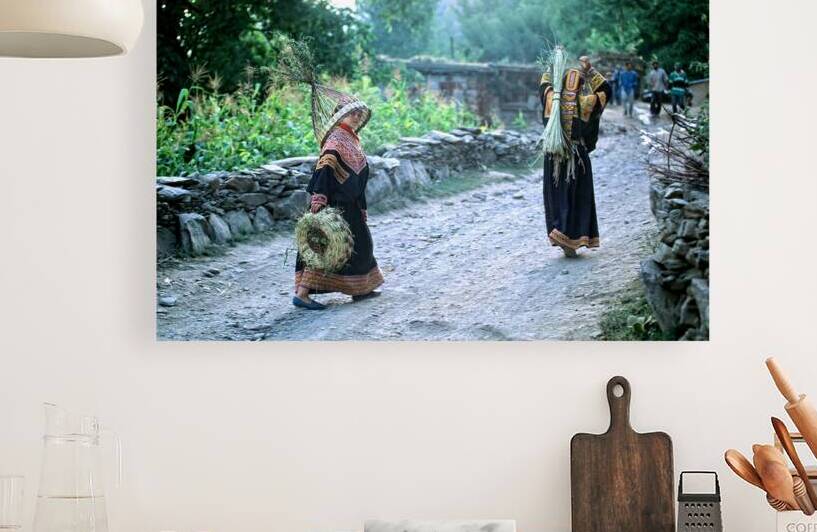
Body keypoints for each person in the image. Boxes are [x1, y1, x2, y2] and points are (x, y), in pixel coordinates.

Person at [293, 99, 384, 310]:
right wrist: (319, 198)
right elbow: (325, 169)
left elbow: (358, 176)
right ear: (340, 116)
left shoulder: (351, 139)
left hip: (350, 204)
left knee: (361, 246)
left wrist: (361, 205)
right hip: (333, 204)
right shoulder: (335, 140)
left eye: (359, 113)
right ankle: (302, 294)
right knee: (322, 248)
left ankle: (361, 289)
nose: (357, 116)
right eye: (352, 113)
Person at [538, 55, 612, 257]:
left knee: (557, 196)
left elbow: (544, 84)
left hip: (554, 156)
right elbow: (606, 91)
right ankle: (573, 238)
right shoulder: (586, 103)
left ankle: (560, 233)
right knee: (577, 196)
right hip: (576, 157)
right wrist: (590, 70)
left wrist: (552, 67)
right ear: (581, 86)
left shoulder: (551, 100)